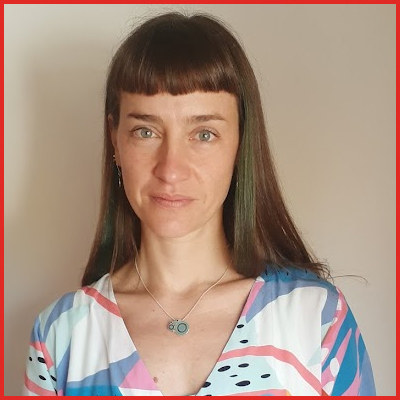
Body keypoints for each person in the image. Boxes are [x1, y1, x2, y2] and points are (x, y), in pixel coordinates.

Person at [23, 12, 376, 396]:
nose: (171, 169)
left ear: (240, 142)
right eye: (145, 131)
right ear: (115, 140)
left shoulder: (319, 320)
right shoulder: (59, 336)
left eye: (204, 134)